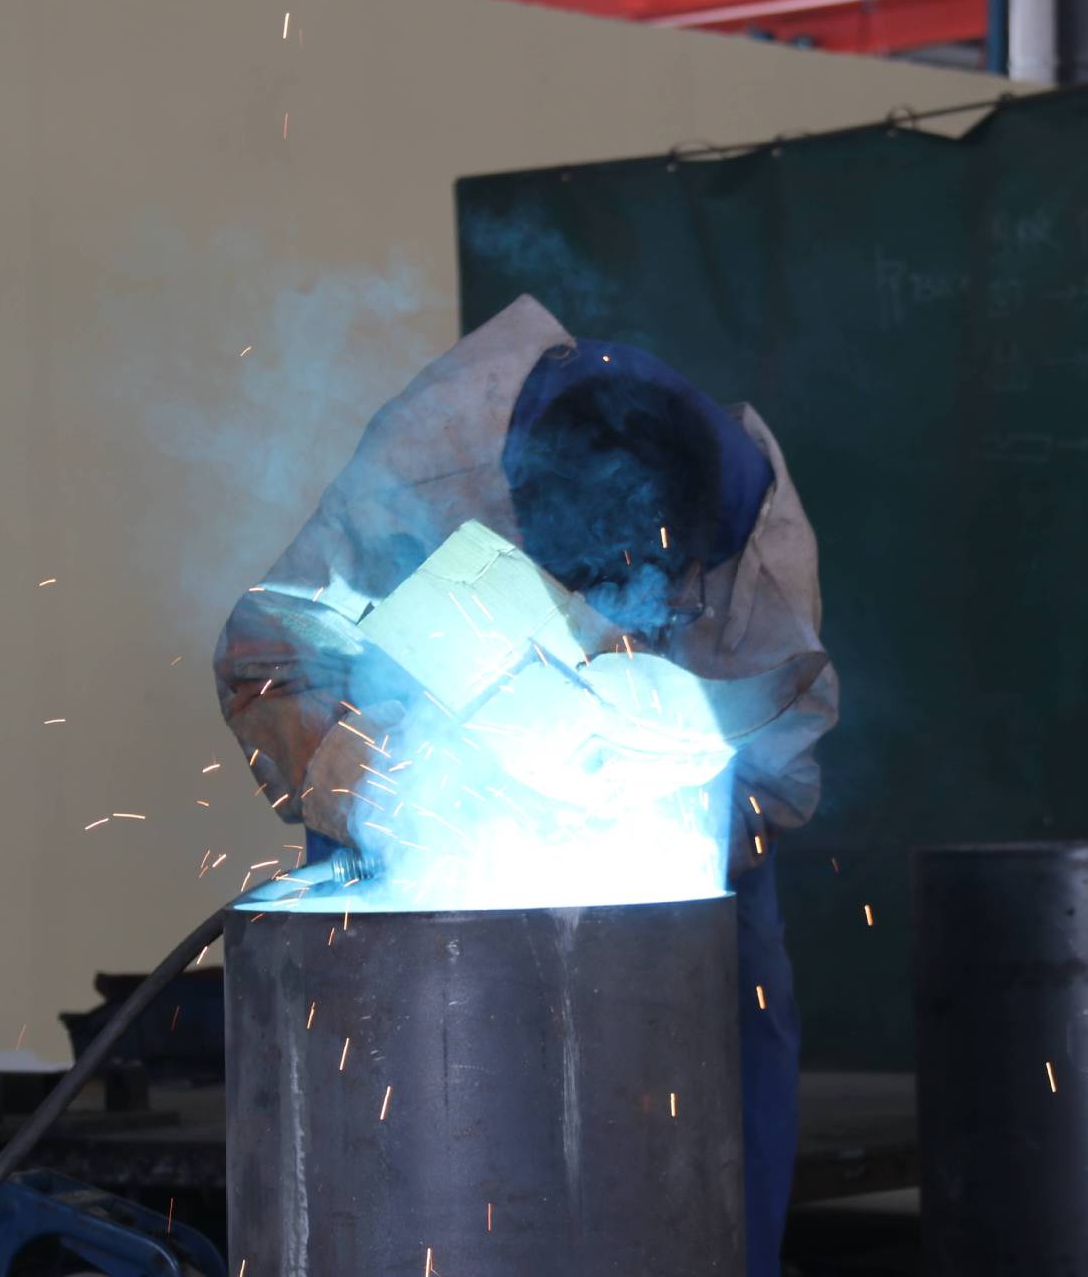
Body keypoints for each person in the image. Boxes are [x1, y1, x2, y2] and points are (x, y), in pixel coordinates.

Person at [212, 294, 838, 1277]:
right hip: (429, 781)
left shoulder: (750, 532)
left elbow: (779, 776)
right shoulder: (427, 468)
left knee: (732, 983)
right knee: (378, 989)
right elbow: (263, 657)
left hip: (655, 805)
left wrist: (664, 822)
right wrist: (366, 784)